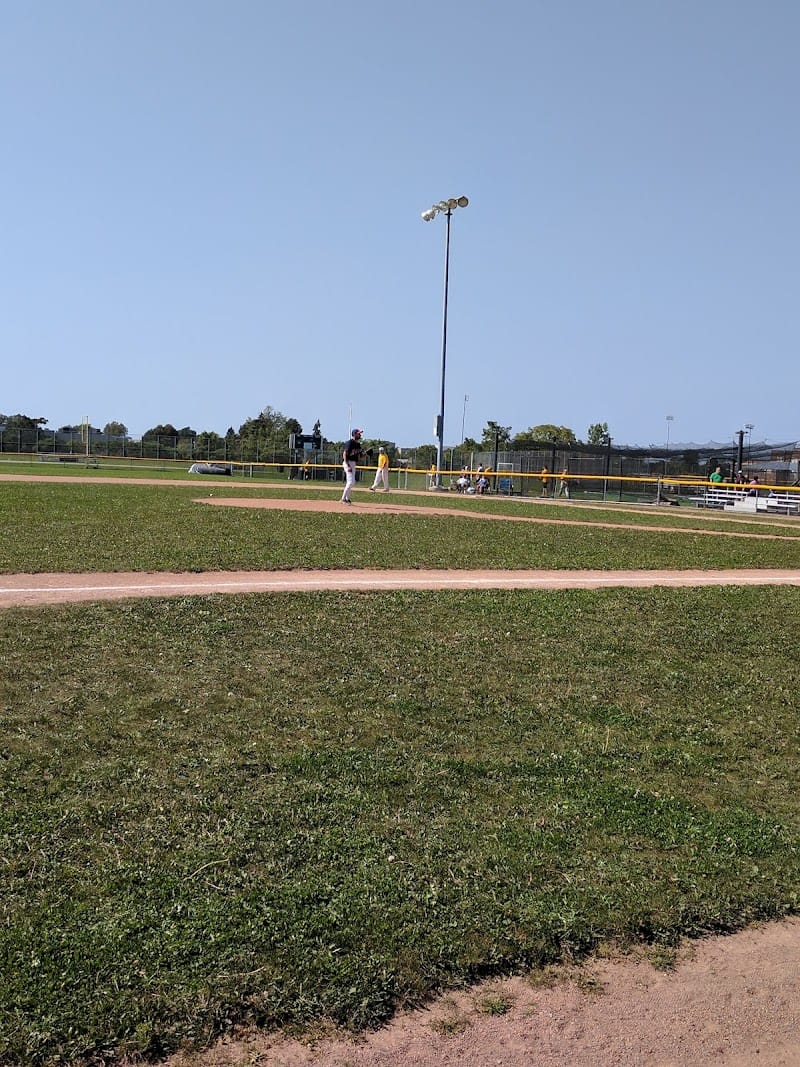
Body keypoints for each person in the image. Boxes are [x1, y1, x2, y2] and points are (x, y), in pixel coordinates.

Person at [341, 428, 364, 504]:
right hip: (347, 462)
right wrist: (347, 465)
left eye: (360, 433)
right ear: (354, 434)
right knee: (350, 481)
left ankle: (347, 498)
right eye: (358, 433)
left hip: (353, 463)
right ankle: (343, 499)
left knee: (352, 482)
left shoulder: (358, 445)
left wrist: (366, 454)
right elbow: (345, 453)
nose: (360, 435)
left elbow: (359, 457)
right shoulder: (350, 442)